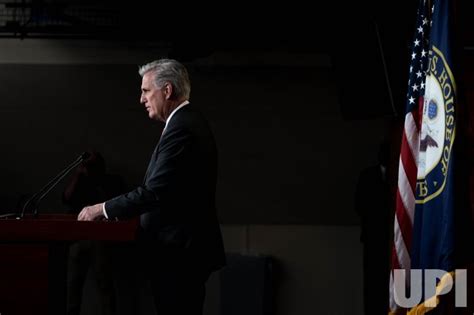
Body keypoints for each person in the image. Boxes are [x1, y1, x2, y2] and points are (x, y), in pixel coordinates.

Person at [78, 59, 226, 315]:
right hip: (181, 251)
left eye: (146, 91)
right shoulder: (186, 122)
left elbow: (155, 192)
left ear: (167, 91)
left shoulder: (182, 128)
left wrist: (101, 209)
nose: (141, 99)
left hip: (180, 254)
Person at [63, 151, 127, 315]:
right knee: (72, 285)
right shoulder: (81, 182)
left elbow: (120, 205)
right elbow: (67, 198)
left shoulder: (111, 181)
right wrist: (78, 174)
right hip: (78, 239)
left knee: (104, 285)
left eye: (94, 164)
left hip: (101, 240)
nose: (90, 168)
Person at [354, 141, 392, 315]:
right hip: (372, 239)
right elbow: (358, 204)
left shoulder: (399, 176)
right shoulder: (367, 176)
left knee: (392, 282)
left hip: (391, 240)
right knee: (372, 283)